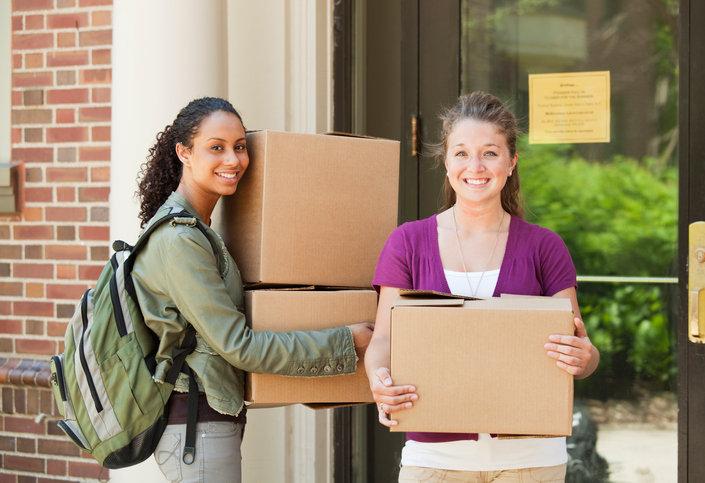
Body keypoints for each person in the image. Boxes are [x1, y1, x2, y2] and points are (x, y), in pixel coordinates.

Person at [132, 96, 374, 483]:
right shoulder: (180, 242)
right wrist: (346, 340)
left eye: (240, 147)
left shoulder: (199, 230)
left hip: (205, 425)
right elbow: (239, 346)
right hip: (197, 428)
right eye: (217, 147)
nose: (234, 160)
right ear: (184, 152)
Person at [366, 91, 600, 482]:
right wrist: (379, 381)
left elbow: (583, 353)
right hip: (435, 459)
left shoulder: (545, 247)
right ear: (445, 162)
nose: (475, 166)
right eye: (461, 153)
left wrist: (584, 358)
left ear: (511, 162)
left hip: (532, 459)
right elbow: (384, 340)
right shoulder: (407, 243)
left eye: (490, 153)